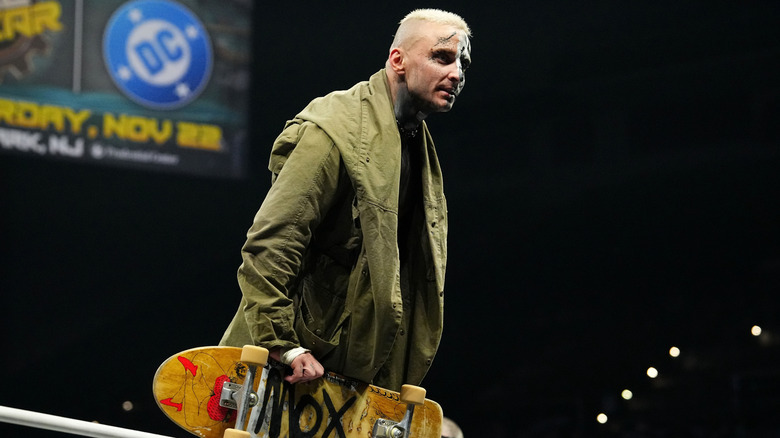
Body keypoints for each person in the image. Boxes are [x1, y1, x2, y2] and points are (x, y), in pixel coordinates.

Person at [219, 9, 472, 392]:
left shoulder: (415, 144)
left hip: (345, 376)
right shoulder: (334, 128)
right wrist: (282, 345)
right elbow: (273, 242)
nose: (456, 73)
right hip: (286, 370)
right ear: (398, 60)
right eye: (442, 57)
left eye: (463, 63)